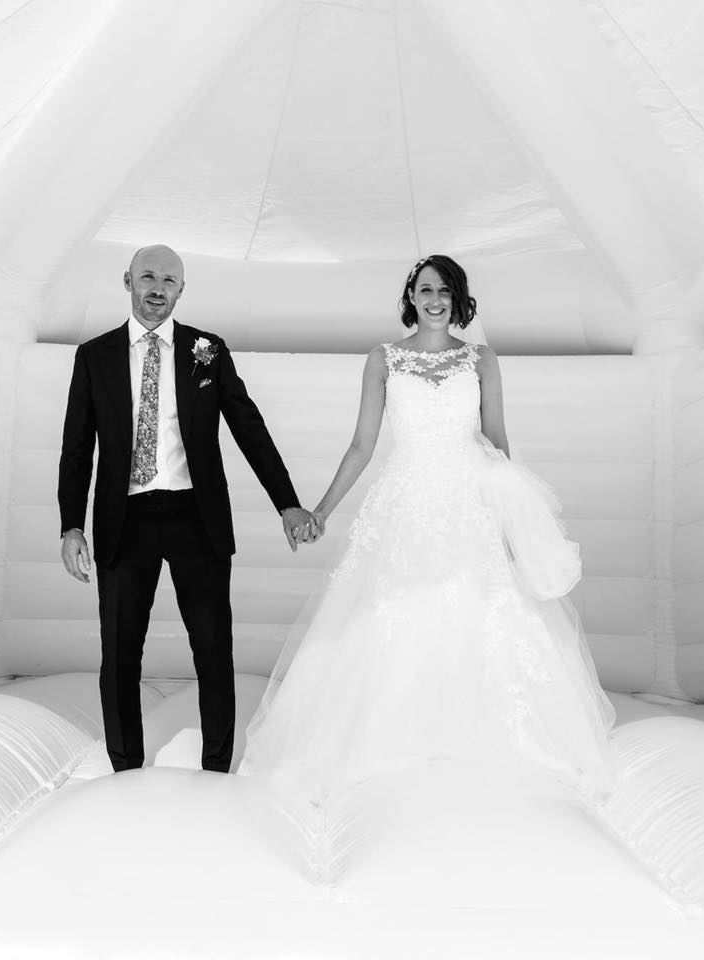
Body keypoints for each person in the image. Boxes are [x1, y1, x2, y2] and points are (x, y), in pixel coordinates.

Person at [239, 254, 618, 801]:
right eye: (424, 289)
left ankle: (480, 736)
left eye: (444, 290)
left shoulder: (482, 360)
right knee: (393, 614)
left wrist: (512, 517)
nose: (434, 299)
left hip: (470, 501)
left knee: (479, 612)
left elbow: (498, 443)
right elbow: (361, 445)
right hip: (405, 501)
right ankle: (389, 740)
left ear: (458, 298)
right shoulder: (383, 360)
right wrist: (320, 511)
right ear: (410, 297)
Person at [58, 244, 320, 774]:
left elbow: (250, 429)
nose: (158, 288)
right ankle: (125, 767)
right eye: (148, 277)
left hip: (194, 519)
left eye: (169, 280)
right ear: (127, 280)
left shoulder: (207, 350)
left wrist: (287, 503)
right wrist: (70, 525)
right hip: (122, 522)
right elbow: (76, 447)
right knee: (120, 656)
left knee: (213, 649)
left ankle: (217, 768)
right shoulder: (95, 356)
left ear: (182, 289)